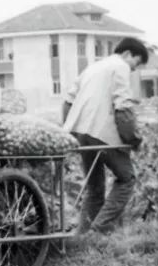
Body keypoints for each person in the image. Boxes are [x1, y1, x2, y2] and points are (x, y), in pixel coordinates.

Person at [61, 36, 149, 235]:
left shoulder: (93, 67)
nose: (133, 69)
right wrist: (133, 139)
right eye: (135, 64)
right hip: (101, 132)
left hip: (81, 132)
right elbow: (123, 108)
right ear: (127, 54)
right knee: (127, 179)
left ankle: (83, 235)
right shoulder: (120, 66)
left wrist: (69, 132)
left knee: (95, 187)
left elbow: (67, 102)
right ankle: (98, 230)